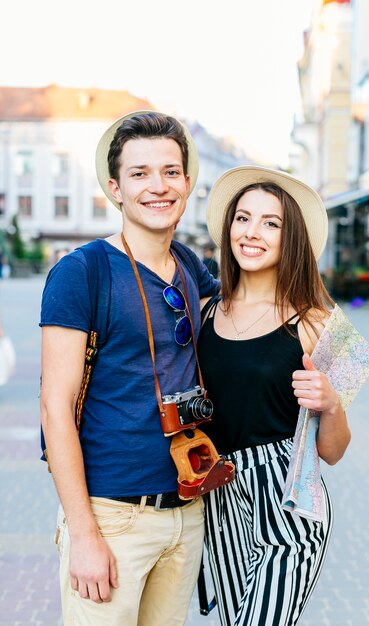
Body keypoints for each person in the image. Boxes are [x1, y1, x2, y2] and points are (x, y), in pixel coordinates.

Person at [39, 110, 220, 626]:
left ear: (187, 183)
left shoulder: (188, 264)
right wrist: (84, 536)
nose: (157, 187)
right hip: (111, 516)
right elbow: (55, 409)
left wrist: (340, 371)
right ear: (115, 188)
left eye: (170, 171)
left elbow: (255, 317)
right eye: (140, 174)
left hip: (187, 511)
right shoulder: (82, 272)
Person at [198, 166, 351, 626]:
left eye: (271, 223)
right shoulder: (204, 312)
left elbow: (336, 452)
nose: (252, 232)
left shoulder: (328, 325)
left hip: (289, 498)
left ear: (292, 238)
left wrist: (331, 403)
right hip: (220, 496)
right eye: (243, 218)